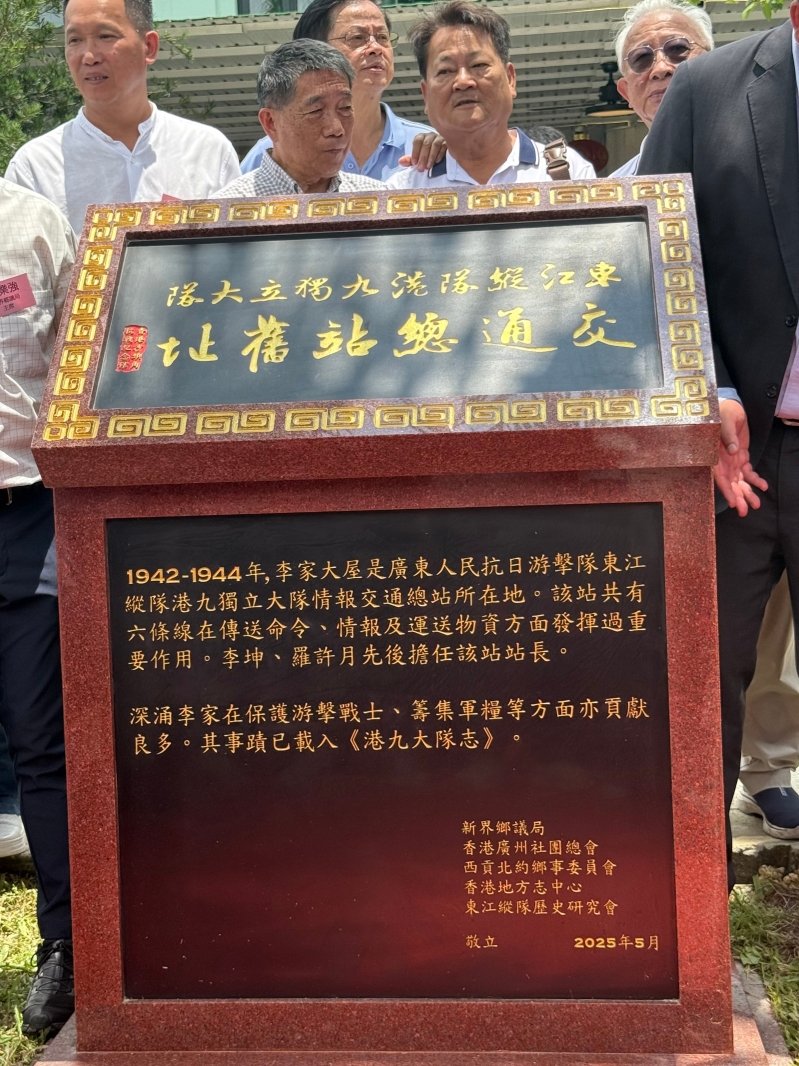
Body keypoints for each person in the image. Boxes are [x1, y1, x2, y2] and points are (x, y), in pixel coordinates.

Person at [619, 0, 799, 844]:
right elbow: (654, 260)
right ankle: (694, 886)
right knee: (701, 680)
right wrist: (706, 389)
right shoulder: (707, 90)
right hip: (736, 452)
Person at [0, 176, 77, 1034]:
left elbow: (79, 356)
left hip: (27, 511)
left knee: (40, 738)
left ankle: (63, 944)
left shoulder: (32, 221)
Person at [4, 0, 240, 234]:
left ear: (149, 46)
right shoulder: (35, 168)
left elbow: (236, 250)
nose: (89, 56)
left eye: (105, 36)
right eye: (75, 40)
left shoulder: (208, 151)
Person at [384, 0, 595, 191]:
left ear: (510, 79)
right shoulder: (402, 191)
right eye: (445, 71)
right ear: (426, 95)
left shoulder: (569, 173)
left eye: (478, 65)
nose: (463, 81)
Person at [241, 0, 441, 181]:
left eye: (382, 37)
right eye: (357, 37)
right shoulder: (270, 155)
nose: (376, 48)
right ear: (314, 53)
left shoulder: (430, 150)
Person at [218, 39, 384, 198]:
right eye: (316, 110)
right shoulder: (229, 209)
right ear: (271, 123)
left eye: (345, 108)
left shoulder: (379, 200)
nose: (337, 129)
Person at [611, 0, 712, 177]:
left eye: (678, 48)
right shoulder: (617, 187)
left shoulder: (762, 157)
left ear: (715, 65)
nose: (660, 69)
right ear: (626, 93)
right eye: (641, 58)